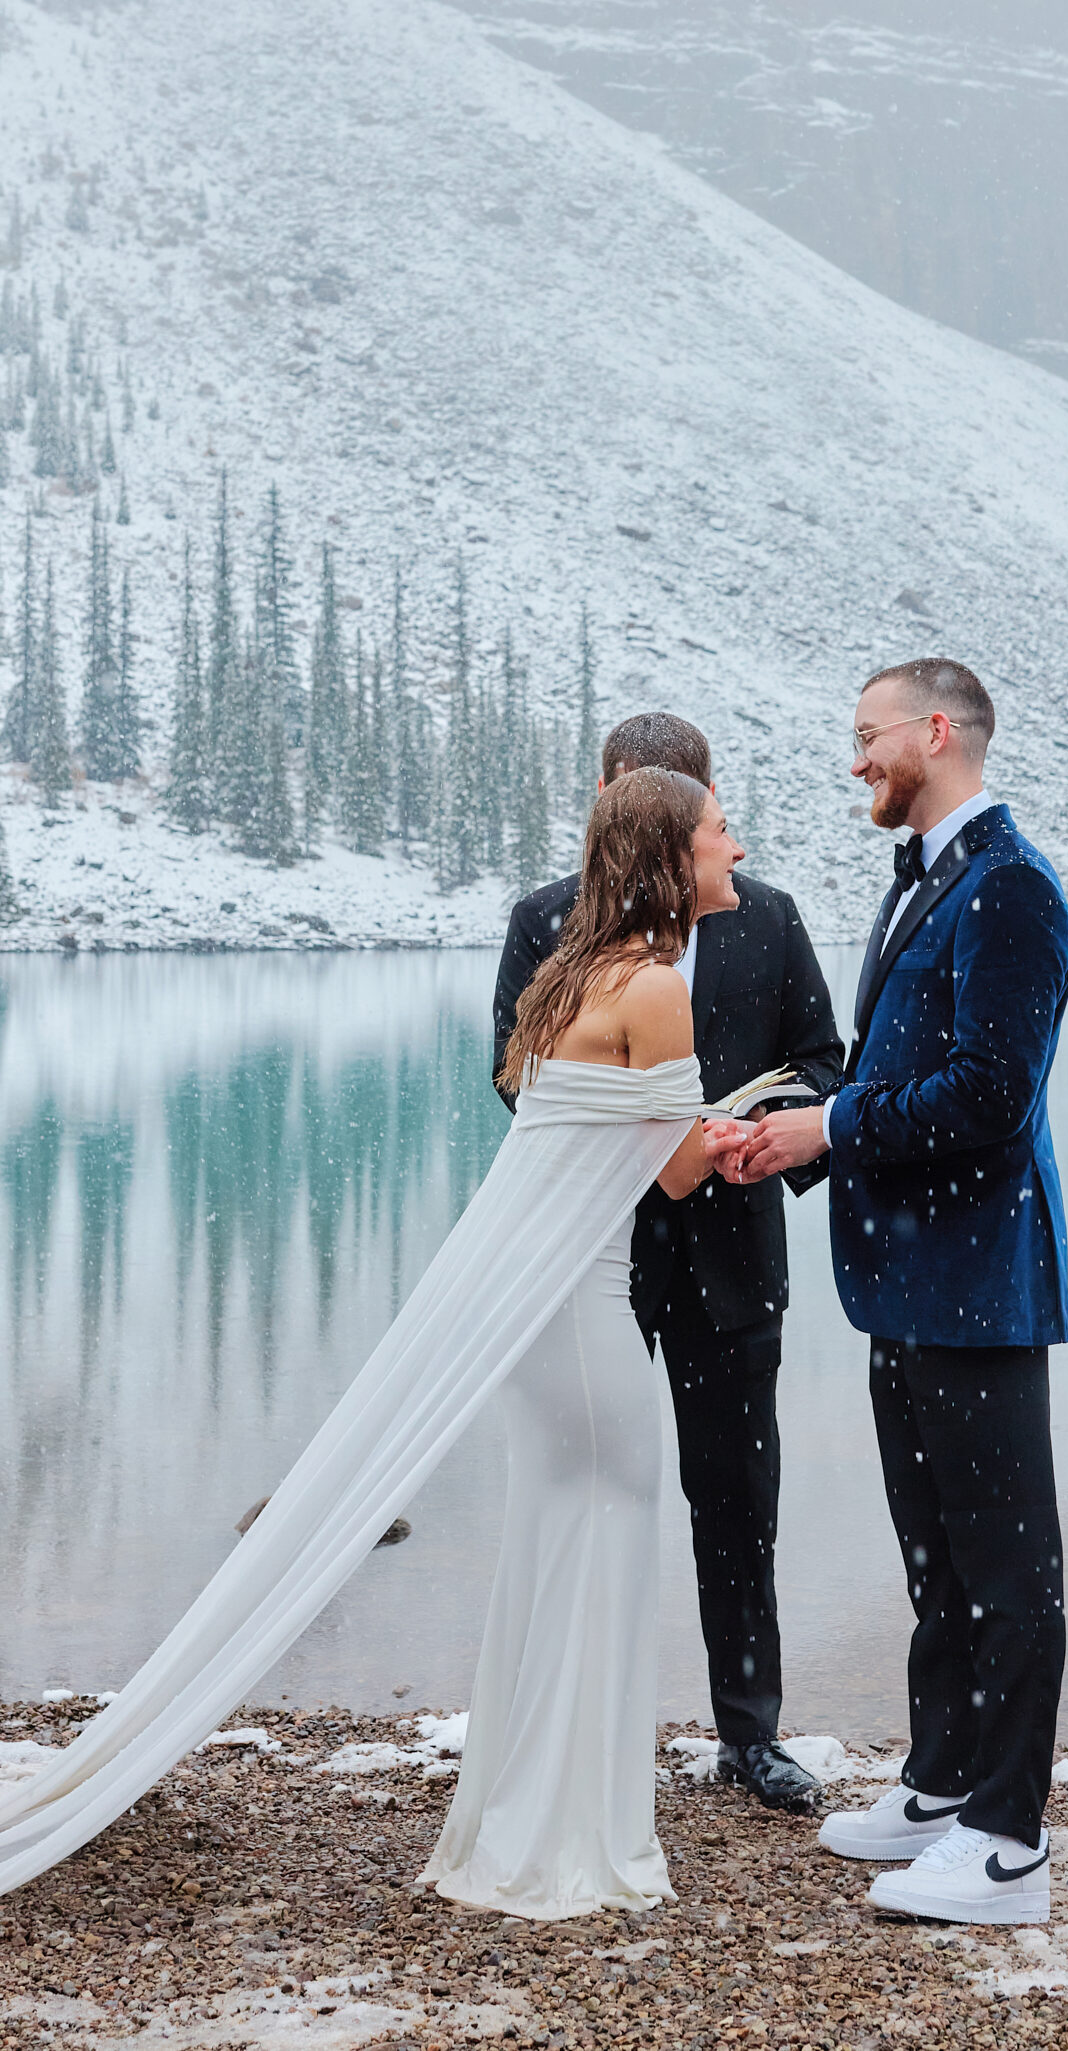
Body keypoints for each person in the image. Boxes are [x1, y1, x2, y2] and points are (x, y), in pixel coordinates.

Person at [0, 768, 732, 1919]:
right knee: (611, 1532)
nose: (732, 851)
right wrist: (740, 1130)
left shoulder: (568, 975)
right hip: (586, 1318)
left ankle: (529, 1809)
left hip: (536, 1320)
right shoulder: (655, 989)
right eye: (718, 834)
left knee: (554, 1542)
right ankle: (569, 1834)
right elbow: (678, 1171)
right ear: (668, 857)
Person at [705, 658, 1068, 1927]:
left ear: (935, 731)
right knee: (936, 1555)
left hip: (978, 1279)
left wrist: (828, 1133)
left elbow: (988, 1099)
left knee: (1007, 1565)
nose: (855, 758)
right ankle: (939, 1780)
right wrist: (795, 1122)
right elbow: (895, 1072)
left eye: (866, 735)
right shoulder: (924, 879)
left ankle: (1009, 1841)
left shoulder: (1011, 888)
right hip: (906, 1279)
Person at [493, 712, 844, 1814]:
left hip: (732, 1253)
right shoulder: (543, 921)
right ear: (610, 800)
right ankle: (576, 1720)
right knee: (578, 1483)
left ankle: (749, 1735)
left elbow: (821, 1064)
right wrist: (654, 1140)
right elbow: (515, 1080)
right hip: (587, 1255)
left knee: (736, 1495)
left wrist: (764, 1130)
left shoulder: (768, 919)